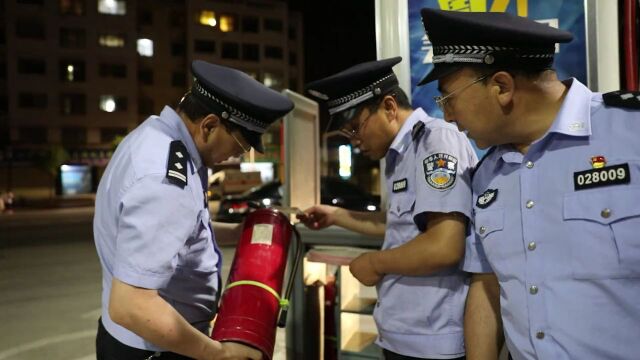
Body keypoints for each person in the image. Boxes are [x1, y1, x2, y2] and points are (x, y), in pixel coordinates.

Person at [419, 8, 640, 360]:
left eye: (448, 99)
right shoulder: (486, 176)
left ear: (502, 87)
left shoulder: (630, 134)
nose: (447, 116)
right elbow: (488, 284)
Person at [93, 60, 294, 360]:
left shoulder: (156, 138)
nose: (238, 154)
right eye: (240, 143)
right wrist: (219, 354)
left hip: (140, 341)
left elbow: (179, 236)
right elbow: (131, 305)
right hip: (156, 349)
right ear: (209, 126)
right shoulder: (167, 180)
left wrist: (240, 232)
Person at [300, 57, 478, 360]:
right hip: (403, 333)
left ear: (389, 106)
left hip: (432, 337)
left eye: (356, 128)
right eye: (348, 135)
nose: (356, 142)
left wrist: (374, 263)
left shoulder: (436, 141)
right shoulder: (400, 154)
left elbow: (444, 246)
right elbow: (404, 226)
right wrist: (337, 216)